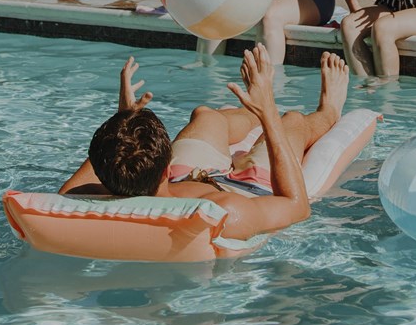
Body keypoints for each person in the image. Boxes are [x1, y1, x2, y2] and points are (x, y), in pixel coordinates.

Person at [58, 47, 350, 245]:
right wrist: (270, 112)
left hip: (185, 177)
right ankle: (327, 112)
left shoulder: (89, 195)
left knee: (207, 116)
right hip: (247, 189)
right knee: (293, 121)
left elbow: (73, 186)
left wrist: (123, 121)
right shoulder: (222, 213)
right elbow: (297, 208)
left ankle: (252, 109)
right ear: (164, 165)